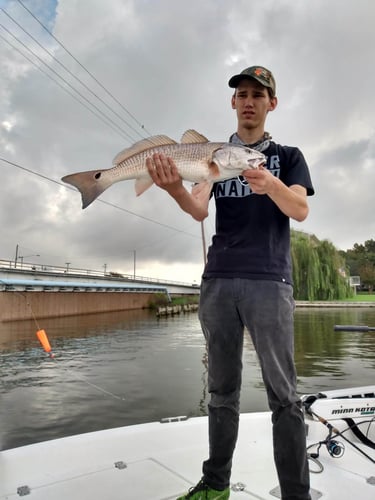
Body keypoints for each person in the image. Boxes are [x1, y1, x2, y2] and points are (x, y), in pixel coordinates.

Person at [146, 65, 314, 500]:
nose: (249, 101)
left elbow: (299, 210)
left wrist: (271, 183)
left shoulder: (288, 156)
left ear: (271, 104)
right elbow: (198, 209)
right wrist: (174, 189)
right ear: (233, 103)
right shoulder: (216, 158)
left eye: (258, 94)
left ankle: (296, 495)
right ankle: (216, 486)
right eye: (241, 94)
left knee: (284, 395)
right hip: (218, 280)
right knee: (221, 391)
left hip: (269, 283)